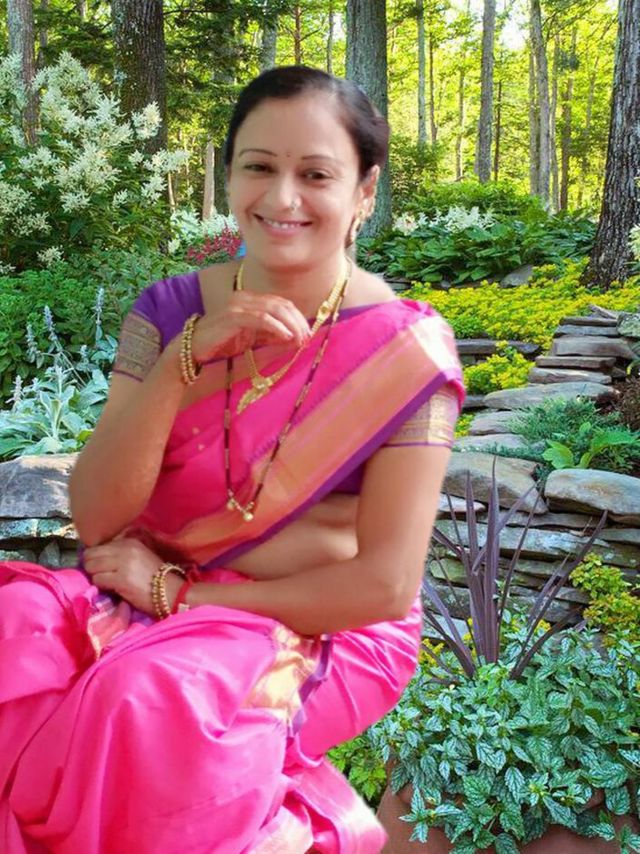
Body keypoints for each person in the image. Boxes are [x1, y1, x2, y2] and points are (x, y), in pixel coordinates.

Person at [0, 66, 464, 853]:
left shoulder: (406, 354)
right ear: (230, 175)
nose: (282, 198)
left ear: (364, 191)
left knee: (149, 699)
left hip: (320, 621)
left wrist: (179, 594)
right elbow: (98, 516)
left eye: (315, 174)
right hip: (147, 580)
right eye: (259, 166)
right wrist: (184, 360)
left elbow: (383, 586)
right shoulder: (169, 310)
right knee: (15, 630)